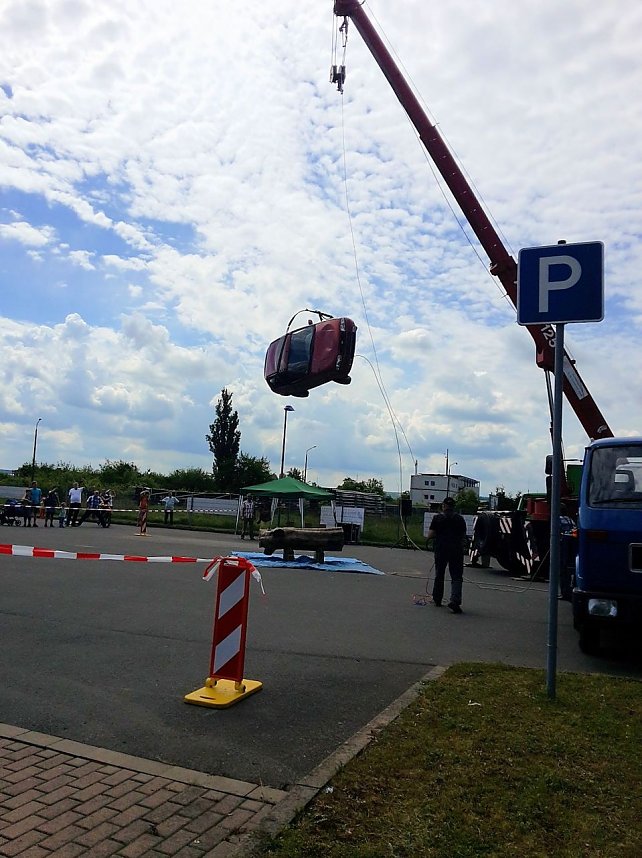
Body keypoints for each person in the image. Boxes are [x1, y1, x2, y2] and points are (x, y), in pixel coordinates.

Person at [427, 496, 467, 613]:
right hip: (456, 550)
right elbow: (463, 536)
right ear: (454, 507)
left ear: (443, 506)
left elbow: (430, 535)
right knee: (457, 576)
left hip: (441, 549)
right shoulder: (460, 519)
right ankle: (455, 600)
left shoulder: (438, 518)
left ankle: (437, 598)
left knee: (439, 574)